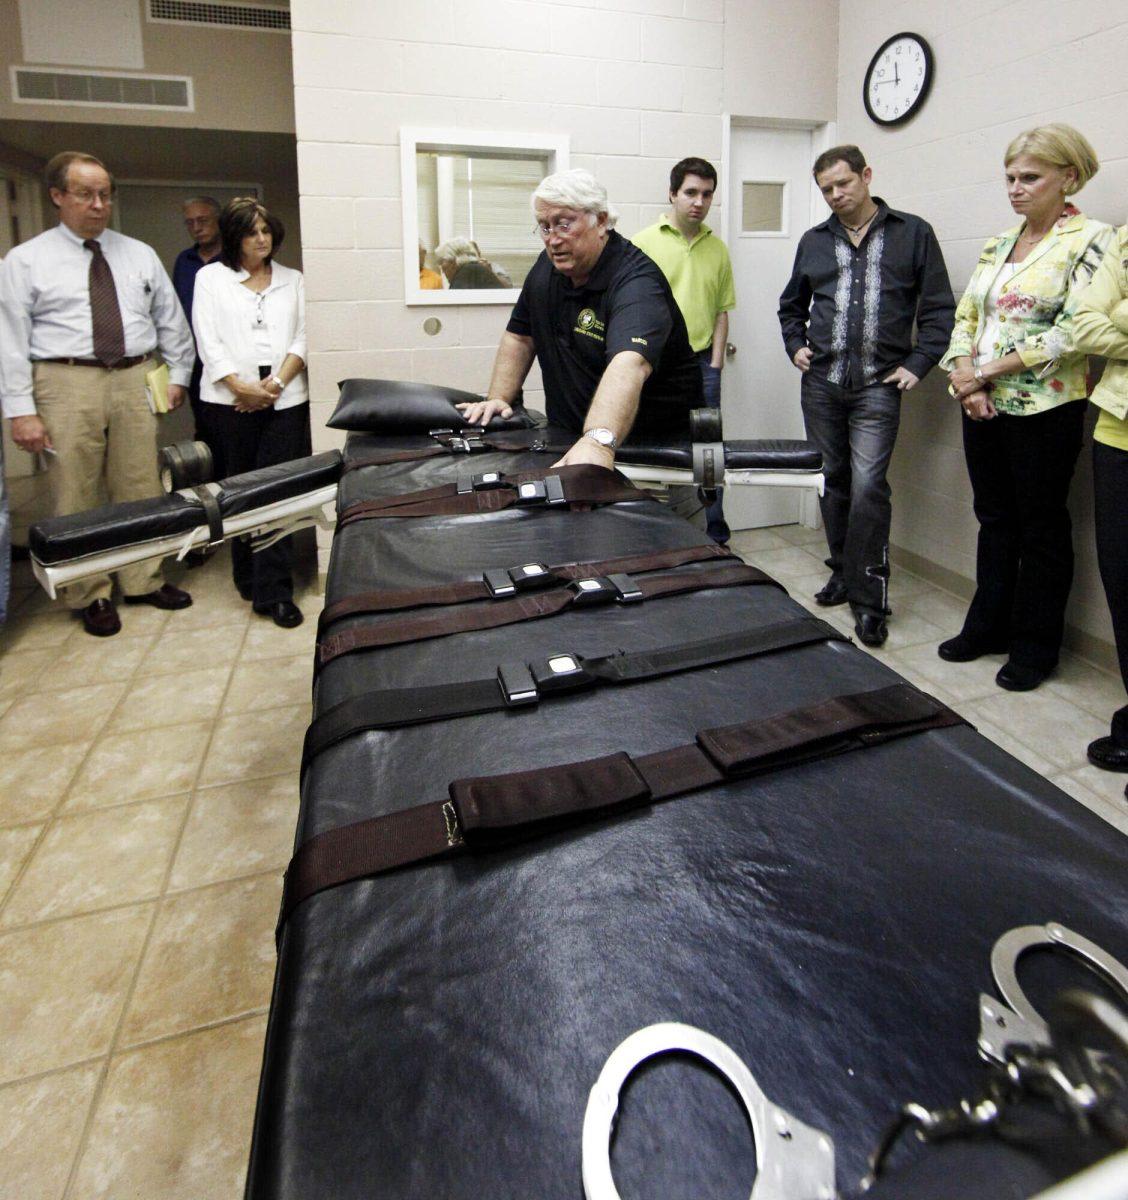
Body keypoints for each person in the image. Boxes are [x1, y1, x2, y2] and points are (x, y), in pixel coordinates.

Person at [939, 125, 1112, 691]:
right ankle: (987, 625)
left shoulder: (1094, 240)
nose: (1015, 188)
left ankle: (1036, 647)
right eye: (1010, 177)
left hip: (1046, 409)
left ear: (1069, 177)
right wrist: (969, 383)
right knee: (994, 520)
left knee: (1040, 528)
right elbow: (967, 318)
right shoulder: (998, 243)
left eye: (1029, 178)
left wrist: (988, 371)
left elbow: (1073, 334)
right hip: (980, 403)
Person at [0, 150, 195, 637]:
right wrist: (21, 411)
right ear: (58, 196)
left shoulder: (138, 253)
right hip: (66, 381)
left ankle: (143, 579)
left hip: (134, 377)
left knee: (142, 485)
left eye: (106, 194)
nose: (98, 204)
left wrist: (178, 376)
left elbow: (170, 321)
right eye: (86, 194)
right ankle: (88, 591)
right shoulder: (26, 261)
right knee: (75, 490)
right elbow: (10, 340)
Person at [778, 144, 954, 648]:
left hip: (879, 385)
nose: (835, 195)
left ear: (866, 176)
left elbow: (940, 308)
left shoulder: (912, 233)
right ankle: (842, 573)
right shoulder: (815, 241)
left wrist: (920, 364)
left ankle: (870, 599)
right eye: (826, 189)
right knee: (831, 481)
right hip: (823, 384)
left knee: (869, 486)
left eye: (843, 184)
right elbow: (791, 306)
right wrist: (795, 346)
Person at [457, 168, 702, 468]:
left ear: (600, 221)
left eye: (563, 224)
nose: (553, 239)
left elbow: (629, 363)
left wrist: (598, 442)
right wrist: (499, 398)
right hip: (574, 444)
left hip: (652, 456)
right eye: (544, 227)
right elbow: (520, 336)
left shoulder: (637, 282)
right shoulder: (547, 269)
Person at [191, 197, 309, 628]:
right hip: (230, 403)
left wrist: (274, 386)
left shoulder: (293, 280)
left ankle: (274, 591)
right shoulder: (210, 279)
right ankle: (248, 574)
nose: (262, 240)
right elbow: (208, 341)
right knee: (237, 489)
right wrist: (240, 387)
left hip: (285, 401)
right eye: (252, 232)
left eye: (266, 231)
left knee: (276, 492)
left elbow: (303, 336)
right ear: (234, 239)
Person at [633, 156, 736, 543]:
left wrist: (715, 364)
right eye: (691, 192)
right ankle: (660, 537)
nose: (699, 201)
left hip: (702, 365)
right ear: (672, 194)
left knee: (708, 455)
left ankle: (715, 536)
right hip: (654, 367)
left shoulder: (718, 250)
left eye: (707, 194)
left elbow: (723, 310)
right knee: (652, 449)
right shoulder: (643, 243)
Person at [1060, 229, 1128, 784]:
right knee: (1123, 584)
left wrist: (1120, 315)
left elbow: (1104, 322)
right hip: (1118, 432)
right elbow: (1085, 324)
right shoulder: (1126, 242)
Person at [172, 196, 223, 446]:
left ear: (218, 220)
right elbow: (176, 312)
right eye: (190, 223)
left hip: (230, 357)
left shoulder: (234, 258)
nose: (196, 228)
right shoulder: (184, 261)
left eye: (202, 220)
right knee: (204, 429)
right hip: (196, 361)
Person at [435, 237, 505, 289]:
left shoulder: (466, 273)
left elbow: (456, 305)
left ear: (453, 261)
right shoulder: (474, 269)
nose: (442, 270)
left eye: (442, 262)